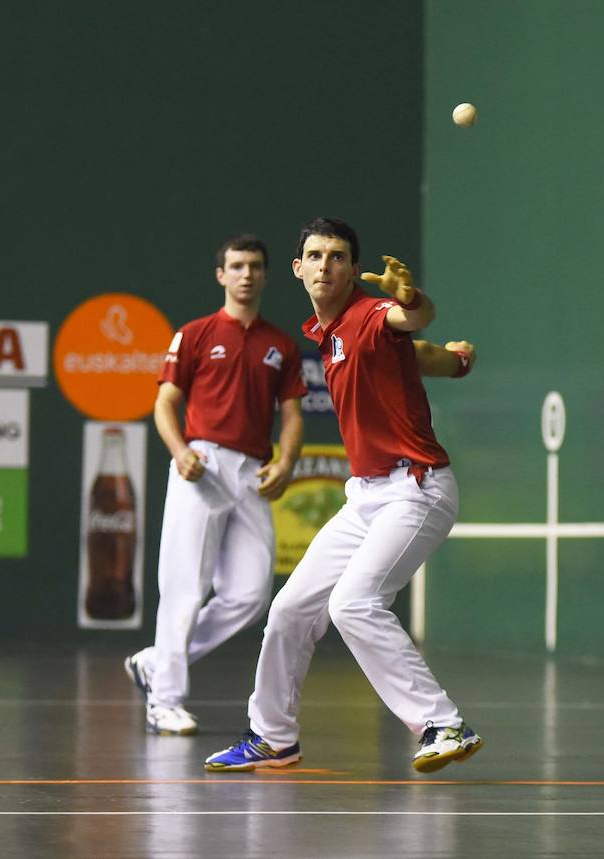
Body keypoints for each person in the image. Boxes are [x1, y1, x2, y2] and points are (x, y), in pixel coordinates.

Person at [204, 217, 480, 774]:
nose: (325, 265)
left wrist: (413, 298)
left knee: (353, 603)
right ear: (298, 269)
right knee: (287, 610)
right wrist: (458, 361)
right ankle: (272, 737)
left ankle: (441, 722)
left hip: (416, 488)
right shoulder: (328, 334)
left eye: (337, 256)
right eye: (315, 255)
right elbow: (418, 354)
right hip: (366, 498)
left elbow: (411, 319)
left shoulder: (371, 314)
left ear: (354, 270)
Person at [125, 233, 306, 735]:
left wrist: (287, 461)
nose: (246, 274)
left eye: (255, 266)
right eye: (237, 266)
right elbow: (165, 403)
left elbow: (291, 415)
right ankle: (165, 699)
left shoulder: (281, 345)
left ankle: (155, 661)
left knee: (250, 595)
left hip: (252, 471)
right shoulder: (196, 333)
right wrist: (180, 452)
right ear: (221, 275)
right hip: (201, 463)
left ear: (267, 275)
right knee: (184, 586)